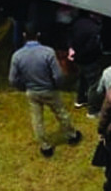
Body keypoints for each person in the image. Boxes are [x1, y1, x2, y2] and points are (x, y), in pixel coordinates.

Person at [9, 25, 82, 157]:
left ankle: (45, 146)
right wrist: (56, 85)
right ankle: (72, 135)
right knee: (61, 113)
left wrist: (23, 87)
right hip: (49, 90)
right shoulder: (47, 52)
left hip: (32, 91)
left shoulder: (17, 56)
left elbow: (13, 79)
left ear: (24, 36)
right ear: (38, 35)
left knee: (37, 119)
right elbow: (58, 75)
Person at [68, 11, 104, 110]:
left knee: (81, 79)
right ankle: (93, 107)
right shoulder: (95, 29)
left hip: (78, 59)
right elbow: (92, 47)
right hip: (89, 60)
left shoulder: (77, 22)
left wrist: (71, 49)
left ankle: (80, 99)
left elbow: (70, 35)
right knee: (93, 84)